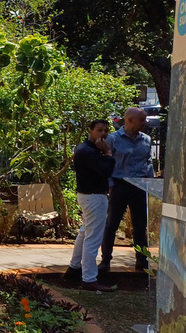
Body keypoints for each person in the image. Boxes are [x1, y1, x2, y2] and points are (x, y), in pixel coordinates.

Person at [99, 107, 154, 272]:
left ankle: (142, 261)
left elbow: (148, 161)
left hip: (139, 186)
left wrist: (150, 182)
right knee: (112, 224)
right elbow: (106, 162)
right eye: (142, 120)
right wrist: (110, 184)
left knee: (140, 226)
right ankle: (105, 261)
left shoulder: (146, 139)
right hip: (119, 185)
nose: (145, 123)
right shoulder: (113, 139)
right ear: (130, 120)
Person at [65, 120, 116, 292]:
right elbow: (106, 170)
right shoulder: (88, 151)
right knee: (92, 239)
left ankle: (73, 269)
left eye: (106, 131)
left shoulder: (90, 149)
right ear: (90, 131)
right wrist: (108, 152)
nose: (103, 134)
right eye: (99, 130)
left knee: (84, 233)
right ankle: (89, 279)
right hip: (94, 198)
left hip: (88, 196)